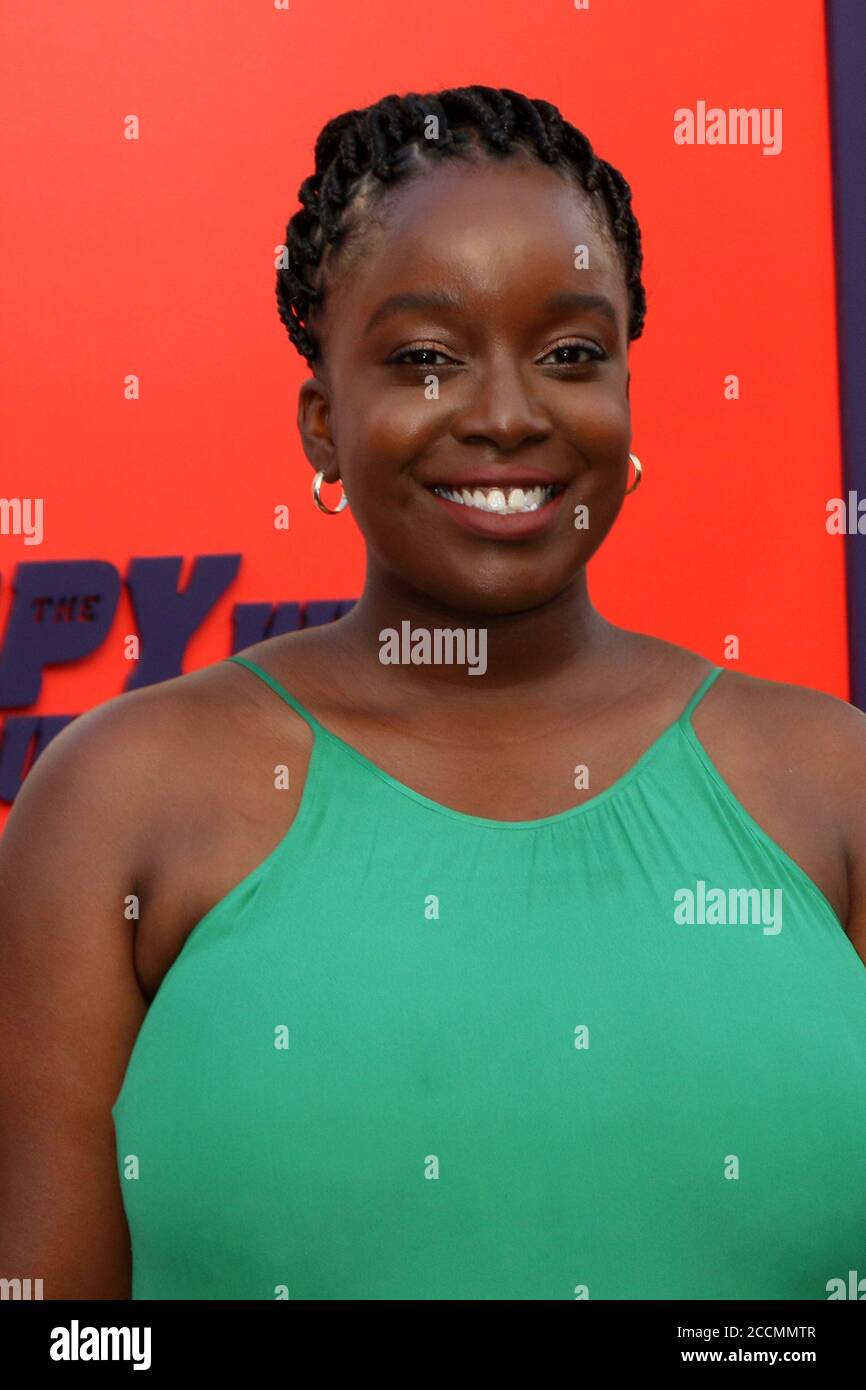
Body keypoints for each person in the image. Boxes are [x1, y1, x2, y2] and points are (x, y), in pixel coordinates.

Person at [1, 85, 865, 1302]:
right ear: (321, 426)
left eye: (571, 354)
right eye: (423, 359)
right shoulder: (115, 801)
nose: (508, 414)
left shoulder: (833, 784)